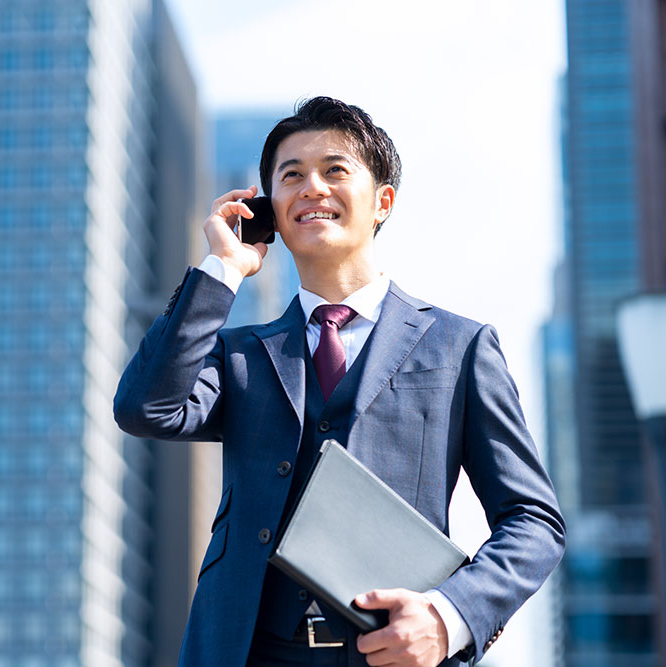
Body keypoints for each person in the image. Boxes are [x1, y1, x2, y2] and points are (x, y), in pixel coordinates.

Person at [114, 97, 564, 667]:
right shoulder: (239, 354)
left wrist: (448, 616)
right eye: (291, 176)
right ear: (268, 210)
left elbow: (533, 522)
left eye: (334, 170)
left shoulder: (459, 346)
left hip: (388, 652)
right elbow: (145, 408)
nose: (312, 188)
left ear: (383, 202)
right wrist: (222, 269)